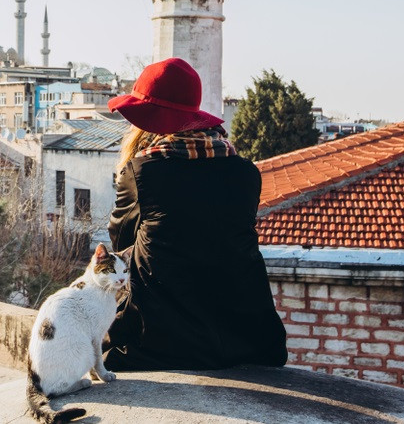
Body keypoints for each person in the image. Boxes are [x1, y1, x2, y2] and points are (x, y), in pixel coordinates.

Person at [103, 57, 287, 371]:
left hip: (160, 342)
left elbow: (121, 242)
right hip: (247, 341)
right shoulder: (245, 173)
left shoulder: (143, 171)